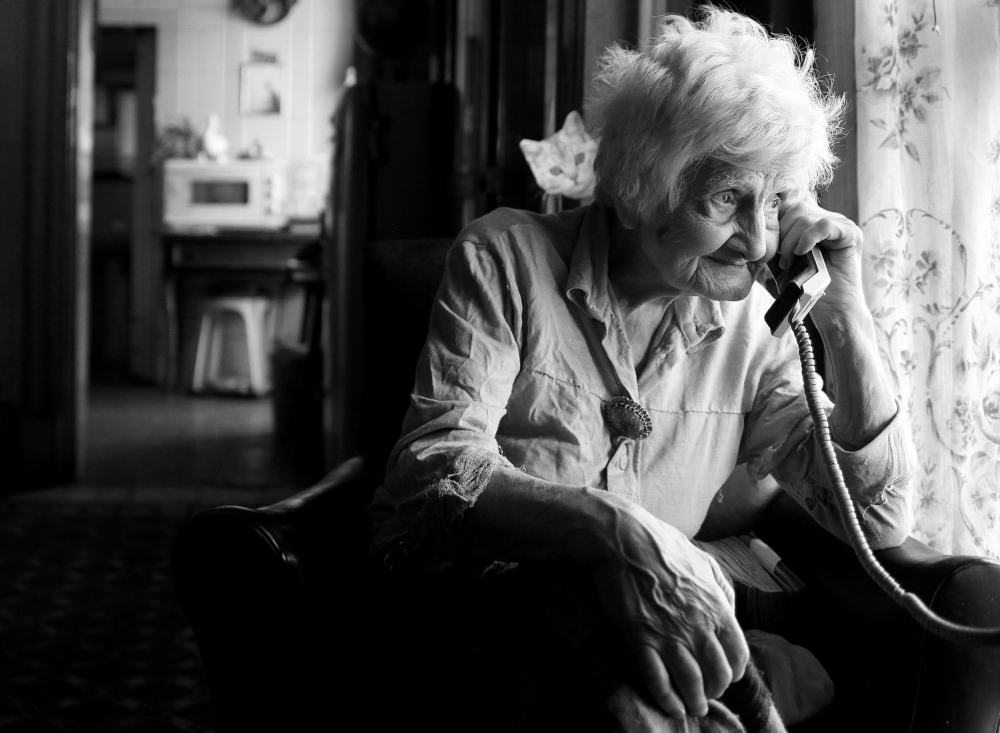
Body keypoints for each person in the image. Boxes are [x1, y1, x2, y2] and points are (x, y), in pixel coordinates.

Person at [370, 7, 915, 730]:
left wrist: (846, 317)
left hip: (620, 640)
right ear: (639, 185)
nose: (757, 241)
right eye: (727, 197)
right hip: (466, 609)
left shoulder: (757, 324)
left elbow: (878, 520)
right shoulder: (506, 257)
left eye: (775, 201)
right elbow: (435, 469)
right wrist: (611, 529)